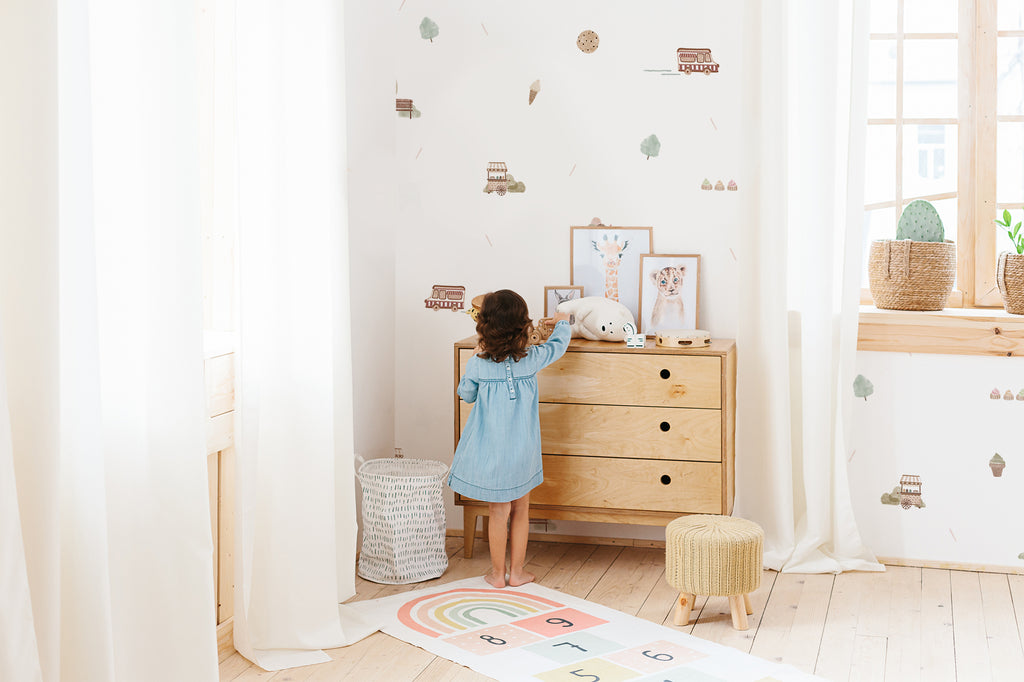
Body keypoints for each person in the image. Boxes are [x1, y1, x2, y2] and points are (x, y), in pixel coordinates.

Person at [448, 289, 572, 588]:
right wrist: (562, 321)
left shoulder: (478, 363)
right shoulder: (531, 359)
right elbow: (558, 345)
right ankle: (517, 573)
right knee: (521, 510)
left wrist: (475, 364)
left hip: (492, 453)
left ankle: (496, 574)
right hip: (524, 451)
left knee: (497, 512)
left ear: (485, 327)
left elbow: (466, 395)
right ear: (523, 325)